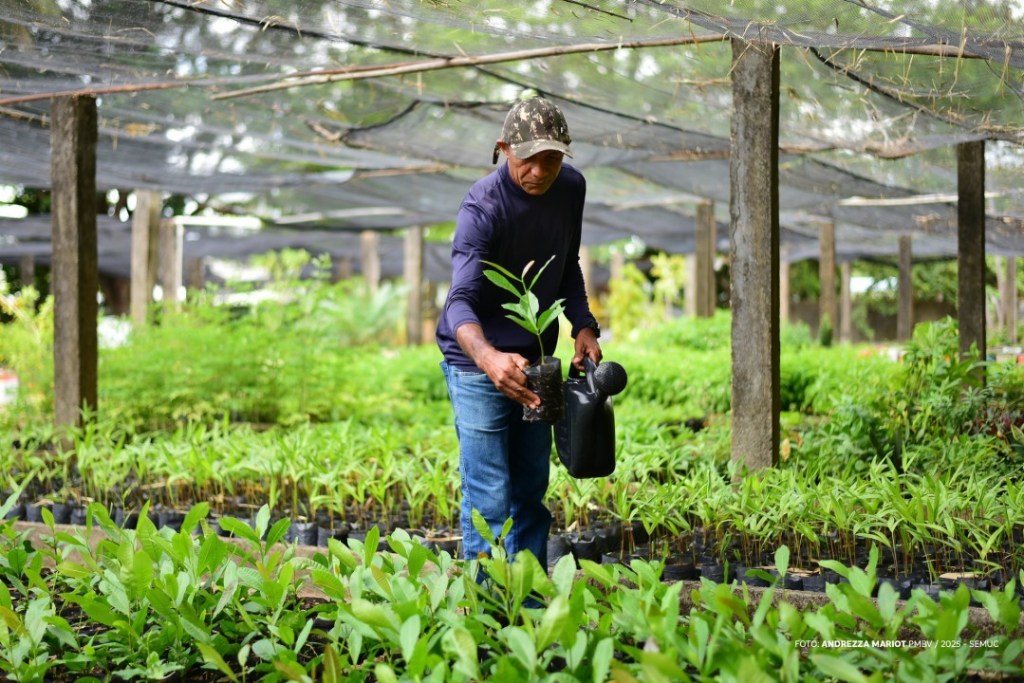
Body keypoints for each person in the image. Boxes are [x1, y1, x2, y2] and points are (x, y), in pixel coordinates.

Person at [436, 96, 602, 570]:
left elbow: (565, 264)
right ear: (504, 149)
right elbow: (458, 304)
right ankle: (487, 614)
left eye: (551, 159)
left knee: (531, 489)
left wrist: (582, 325)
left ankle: (527, 605)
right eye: (528, 159)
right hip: (475, 364)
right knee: (489, 495)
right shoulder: (482, 206)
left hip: (534, 361)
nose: (539, 171)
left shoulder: (571, 188)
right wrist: (489, 359)